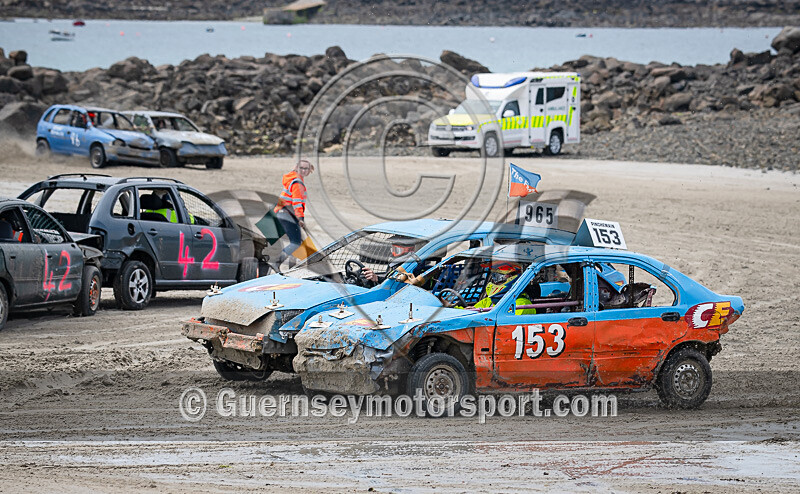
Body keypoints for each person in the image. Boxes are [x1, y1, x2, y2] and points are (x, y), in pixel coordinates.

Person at [274, 160, 314, 264]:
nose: (304, 170)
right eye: (302, 168)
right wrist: (300, 219)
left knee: (297, 242)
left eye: (306, 168)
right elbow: (297, 203)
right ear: (296, 168)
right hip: (286, 213)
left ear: (310, 170)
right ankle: (276, 262)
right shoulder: (297, 182)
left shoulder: (293, 179)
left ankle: (292, 266)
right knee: (295, 243)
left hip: (284, 213)